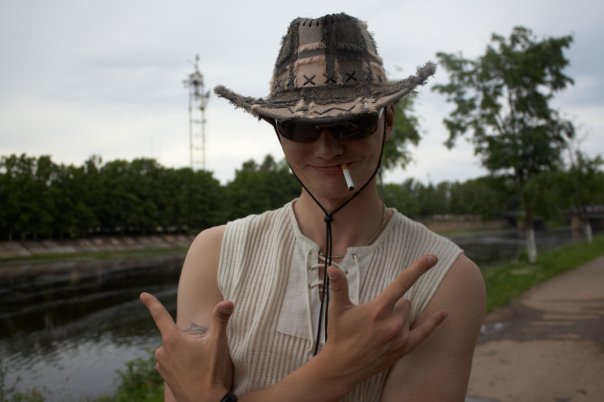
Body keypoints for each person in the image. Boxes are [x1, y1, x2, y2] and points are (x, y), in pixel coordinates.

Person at [141, 12, 486, 402]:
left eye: (352, 123)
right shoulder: (216, 253)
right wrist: (336, 371)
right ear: (277, 131)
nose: (327, 149)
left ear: (387, 122)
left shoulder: (448, 278)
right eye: (300, 127)